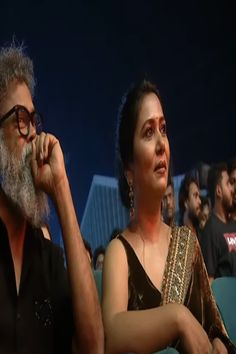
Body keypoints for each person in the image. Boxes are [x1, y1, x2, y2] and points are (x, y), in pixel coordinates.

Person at [102, 79, 235, 354]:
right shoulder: (119, 251)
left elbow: (216, 329)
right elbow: (112, 332)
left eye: (163, 129)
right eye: (149, 132)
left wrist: (218, 345)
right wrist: (178, 318)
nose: (162, 143)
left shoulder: (186, 241)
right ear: (129, 169)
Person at [0, 44, 104, 354]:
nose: (32, 132)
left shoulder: (47, 258)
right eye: (20, 118)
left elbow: (93, 346)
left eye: (34, 119)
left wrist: (61, 188)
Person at [201, 162, 236, 282]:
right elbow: (209, 283)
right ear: (219, 191)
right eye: (228, 184)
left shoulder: (234, 224)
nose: (232, 189)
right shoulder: (210, 231)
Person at [178, 174, 201, 239]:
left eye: (199, 196)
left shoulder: (200, 233)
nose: (200, 201)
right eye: (195, 196)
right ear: (186, 202)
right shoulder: (180, 238)